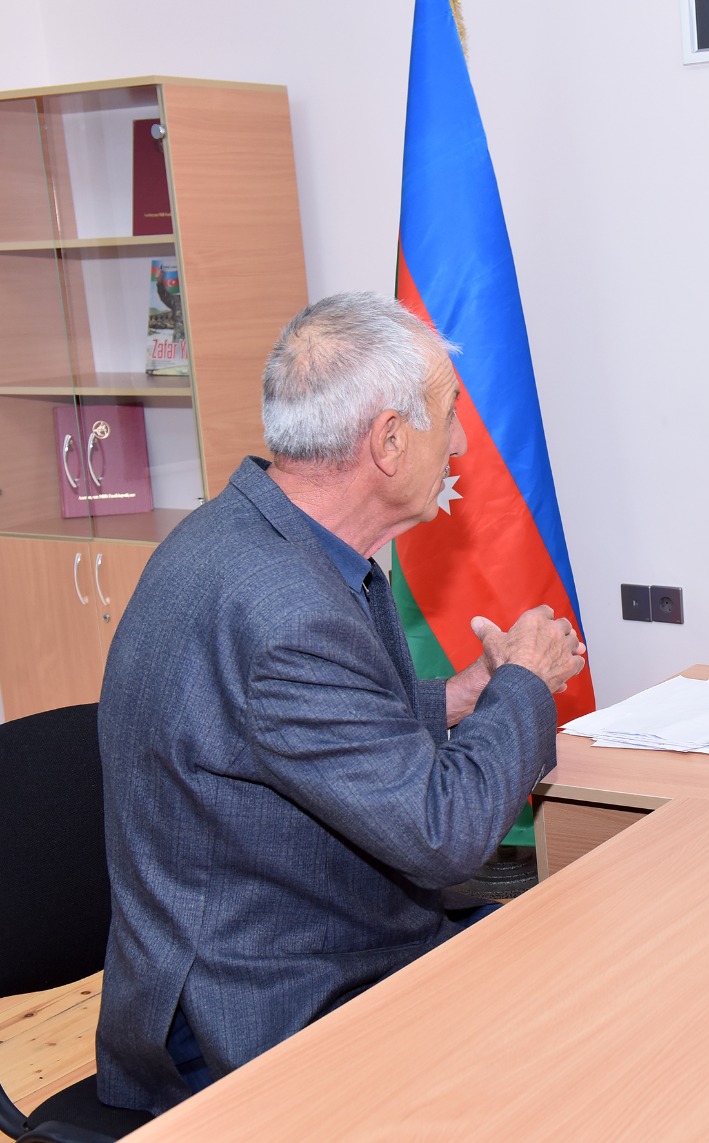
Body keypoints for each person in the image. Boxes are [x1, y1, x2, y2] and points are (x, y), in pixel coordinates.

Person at [96, 292, 587, 1115]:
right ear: (389, 441)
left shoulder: (248, 536)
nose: (462, 444)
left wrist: (459, 698)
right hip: (258, 1010)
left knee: (576, 953)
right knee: (572, 1027)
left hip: (297, 936)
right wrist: (526, 679)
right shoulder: (288, 614)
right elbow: (445, 832)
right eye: (449, 417)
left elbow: (289, 729)